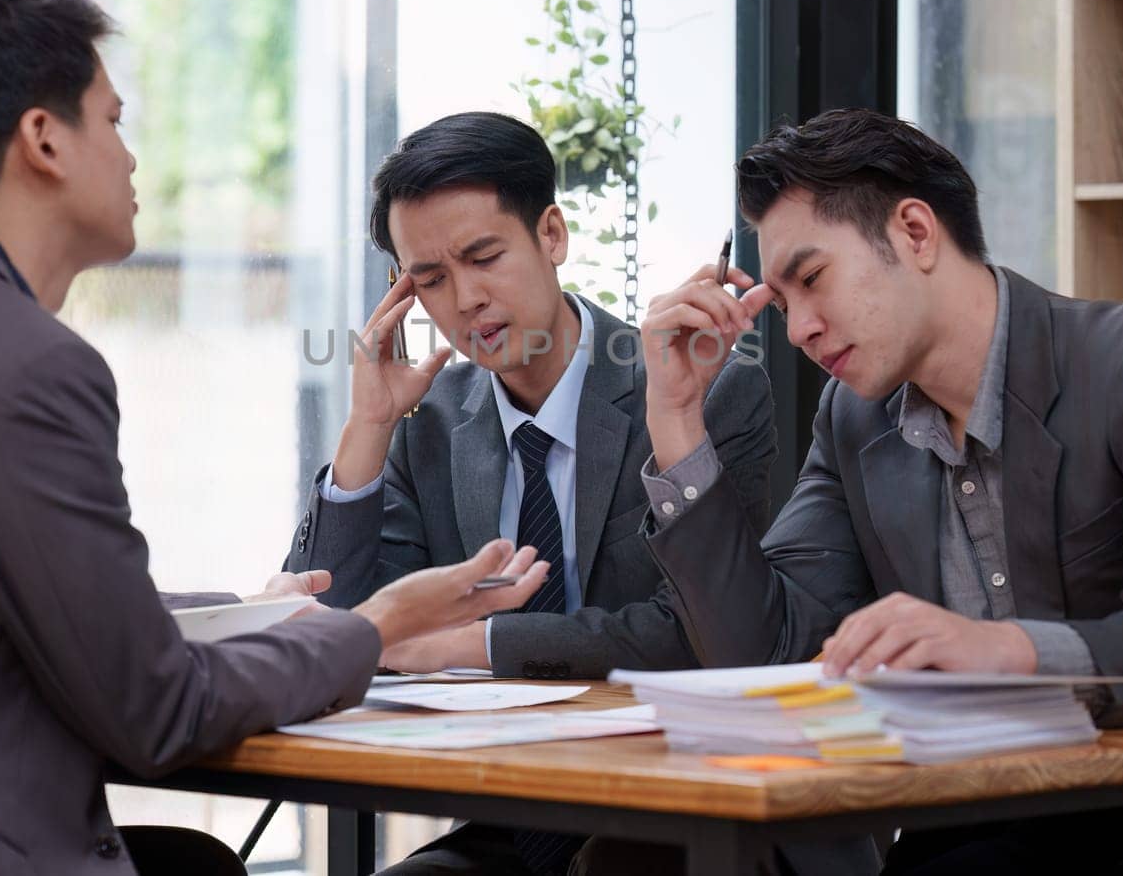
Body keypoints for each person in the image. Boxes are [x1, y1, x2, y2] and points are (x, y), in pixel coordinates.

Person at [0, 0, 549, 876]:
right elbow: (157, 712)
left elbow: (11, 612)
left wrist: (245, 615)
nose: (129, 158)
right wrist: (375, 624)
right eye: (112, 121)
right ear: (43, 139)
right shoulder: (24, 363)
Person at [618, 107, 1123, 874]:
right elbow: (766, 653)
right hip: (988, 823)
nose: (798, 331)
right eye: (784, 306)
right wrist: (677, 418)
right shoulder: (856, 419)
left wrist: (996, 649)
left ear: (916, 233)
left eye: (813, 279)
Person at [288, 112, 882, 875]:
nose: (465, 298)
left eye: (483, 256)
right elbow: (336, 632)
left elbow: (690, 635)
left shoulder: (703, 394)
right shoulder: (428, 421)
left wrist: (470, 644)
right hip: (511, 818)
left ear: (552, 235)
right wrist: (368, 425)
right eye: (430, 279)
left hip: (684, 810)